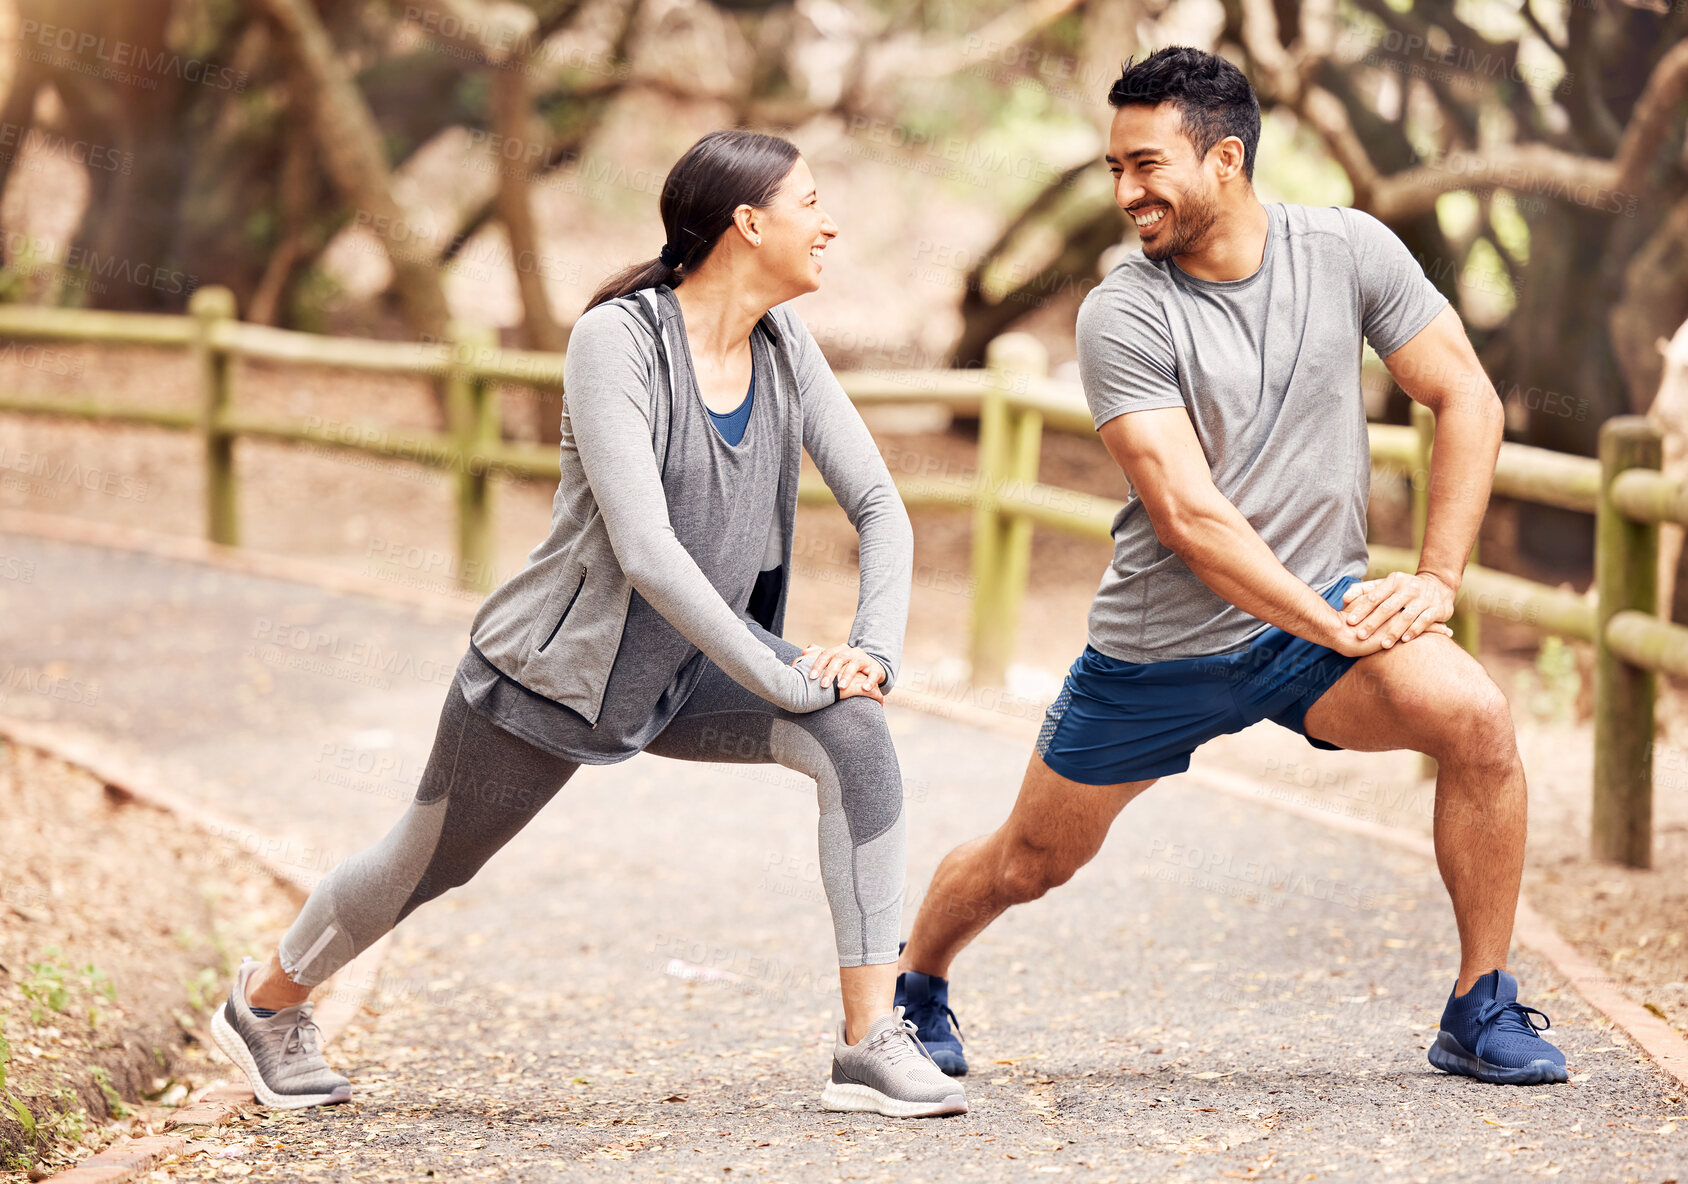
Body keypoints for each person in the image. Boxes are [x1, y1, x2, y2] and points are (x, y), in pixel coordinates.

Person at [211, 130, 967, 1119]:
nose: (830, 223)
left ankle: (868, 1042)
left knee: (854, 733)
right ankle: (267, 1002)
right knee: (425, 861)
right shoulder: (615, 341)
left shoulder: (786, 348)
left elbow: (879, 504)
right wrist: (786, 675)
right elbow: (648, 552)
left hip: (697, 666)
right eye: (811, 201)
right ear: (747, 223)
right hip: (553, 675)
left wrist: (868, 651)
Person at [894, 46, 1568, 1088]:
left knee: (1475, 720)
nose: (1125, 192)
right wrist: (1328, 619)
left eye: (1144, 164)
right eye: (1113, 168)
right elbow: (1187, 515)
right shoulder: (1123, 310)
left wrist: (1435, 579)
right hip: (1159, 649)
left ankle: (1478, 1003)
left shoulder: (1347, 252)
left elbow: (1465, 395)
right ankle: (917, 979)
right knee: (1028, 861)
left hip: (1316, 627)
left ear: (1225, 158)